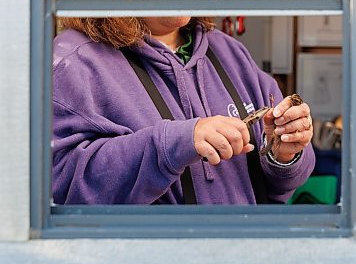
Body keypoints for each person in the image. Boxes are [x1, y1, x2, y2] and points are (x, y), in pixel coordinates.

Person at [52, 16, 315, 204]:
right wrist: (173, 144)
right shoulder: (73, 61)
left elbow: (278, 189)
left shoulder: (228, 51)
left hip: (241, 263)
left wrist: (283, 156)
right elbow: (61, 187)